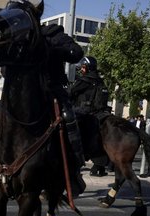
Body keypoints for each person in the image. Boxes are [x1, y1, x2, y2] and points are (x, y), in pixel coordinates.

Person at [42, 22, 85, 194]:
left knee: (69, 117)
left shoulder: (56, 35)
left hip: (53, 87)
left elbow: (76, 53)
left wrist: (54, 50)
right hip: (29, 87)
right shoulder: (25, 34)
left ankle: (75, 166)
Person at [70, 56, 111, 178]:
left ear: (87, 68)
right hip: (99, 112)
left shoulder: (84, 81)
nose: (81, 70)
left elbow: (70, 93)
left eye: (83, 67)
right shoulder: (100, 80)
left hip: (83, 112)